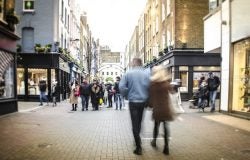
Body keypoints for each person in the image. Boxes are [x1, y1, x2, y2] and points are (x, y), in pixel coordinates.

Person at [119, 58, 150, 155]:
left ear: (134, 63)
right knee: (139, 122)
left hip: (133, 102)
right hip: (143, 102)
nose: (131, 64)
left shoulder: (128, 73)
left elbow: (122, 87)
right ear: (141, 64)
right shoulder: (146, 74)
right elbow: (150, 87)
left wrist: (127, 95)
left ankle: (138, 146)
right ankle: (138, 140)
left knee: (134, 124)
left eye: (132, 62)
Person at [149, 65, 175, 155]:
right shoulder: (166, 83)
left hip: (157, 109)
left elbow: (150, 98)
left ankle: (154, 141)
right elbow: (172, 92)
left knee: (156, 126)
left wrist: (151, 105)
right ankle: (166, 147)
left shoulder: (152, 84)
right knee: (166, 126)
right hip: (165, 108)